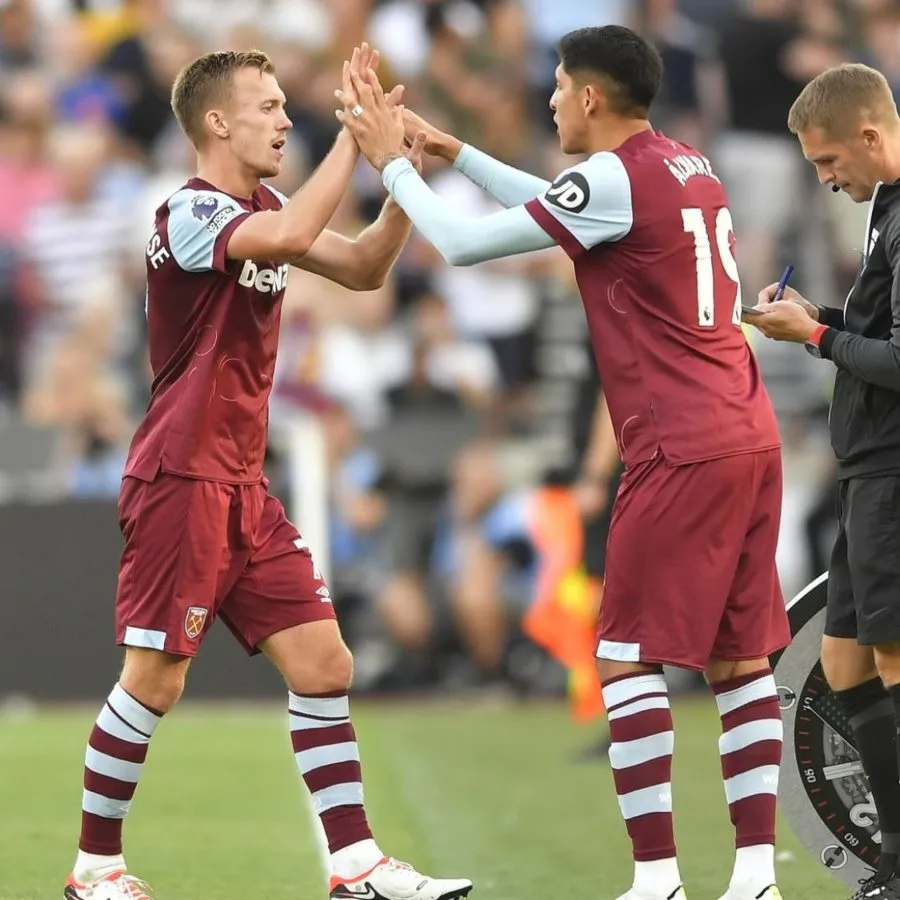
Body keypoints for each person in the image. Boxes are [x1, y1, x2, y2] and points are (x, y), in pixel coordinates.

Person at [338, 24, 790, 900]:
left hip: (679, 445)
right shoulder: (686, 164)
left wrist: (391, 166)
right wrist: (454, 149)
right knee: (740, 664)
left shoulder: (613, 179)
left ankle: (656, 879)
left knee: (623, 658)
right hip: (748, 432)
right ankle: (755, 879)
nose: (547, 100)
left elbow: (470, 246)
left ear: (589, 96)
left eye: (555, 86)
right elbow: (564, 203)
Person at [63, 44, 473, 900]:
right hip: (179, 476)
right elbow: (288, 238)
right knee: (156, 679)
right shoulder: (186, 214)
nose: (288, 119)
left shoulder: (264, 206)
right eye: (272, 106)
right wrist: (356, 143)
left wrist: (400, 176)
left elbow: (361, 269)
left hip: (244, 482)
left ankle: (356, 865)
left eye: (291, 107)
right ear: (218, 121)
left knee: (325, 665)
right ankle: (94, 867)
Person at [748, 62, 900, 900]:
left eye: (828, 160)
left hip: (893, 469)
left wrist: (814, 337)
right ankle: (894, 858)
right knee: (842, 662)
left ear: (871, 137)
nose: (825, 177)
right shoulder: (885, 210)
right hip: (868, 468)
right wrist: (822, 318)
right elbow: (876, 332)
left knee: (889, 656)